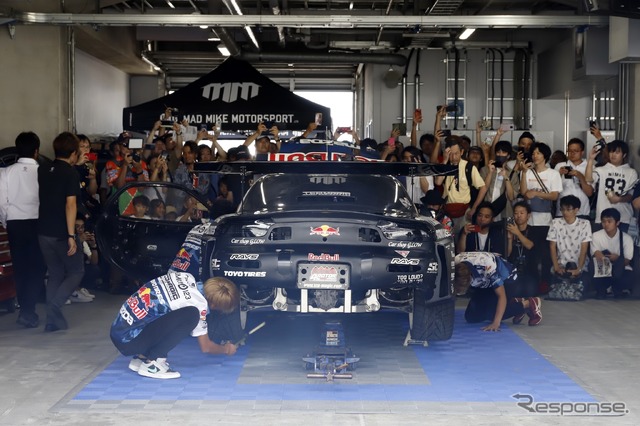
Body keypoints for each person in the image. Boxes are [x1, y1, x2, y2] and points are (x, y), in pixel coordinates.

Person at [110, 272, 240, 379]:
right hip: (130, 342)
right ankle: (153, 363)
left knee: (164, 312)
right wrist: (226, 349)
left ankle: (141, 357)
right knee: (191, 315)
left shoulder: (184, 277)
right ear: (214, 305)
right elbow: (206, 347)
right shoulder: (198, 304)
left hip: (119, 331)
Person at [37, 132, 84, 332]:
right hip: (60, 232)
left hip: (42, 231)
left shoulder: (43, 169)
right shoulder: (70, 173)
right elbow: (70, 204)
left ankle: (51, 321)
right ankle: (54, 307)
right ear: (73, 153)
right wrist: (71, 235)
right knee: (76, 271)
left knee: (55, 273)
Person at [0, 132, 47, 328]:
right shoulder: (44, 171)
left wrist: (5, 221)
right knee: (37, 267)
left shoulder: (5, 172)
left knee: (20, 267)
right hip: (38, 222)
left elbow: (2, 201)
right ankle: (29, 310)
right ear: (37, 151)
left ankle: (26, 309)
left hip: (15, 223)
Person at [454, 251, 542, 330]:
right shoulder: (455, 261)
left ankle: (528, 304)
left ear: (470, 278)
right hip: (484, 282)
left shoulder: (487, 267)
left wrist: (496, 323)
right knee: (471, 317)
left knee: (492, 313)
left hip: (507, 279)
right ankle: (514, 302)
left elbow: (501, 296)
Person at [434, 136, 487, 236]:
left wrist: (474, 208)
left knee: (464, 237)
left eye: (456, 154)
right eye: (451, 154)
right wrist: (445, 161)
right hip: (448, 209)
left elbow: (483, 188)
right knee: (448, 238)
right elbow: (438, 182)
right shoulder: (445, 166)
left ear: (462, 152)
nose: (453, 157)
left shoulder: (469, 167)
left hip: (465, 210)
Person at [585, 139, 638, 233]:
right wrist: (591, 159)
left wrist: (619, 199)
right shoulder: (601, 169)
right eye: (611, 151)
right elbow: (589, 179)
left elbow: (631, 195)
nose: (613, 155)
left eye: (617, 152)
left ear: (624, 155)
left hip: (624, 217)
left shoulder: (631, 172)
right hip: (603, 216)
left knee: (622, 246)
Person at [591, 208, 634, 299]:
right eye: (603, 221)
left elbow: (627, 260)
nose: (606, 224)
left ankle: (618, 289)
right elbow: (595, 253)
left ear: (617, 223)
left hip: (619, 269)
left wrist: (617, 258)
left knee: (628, 275)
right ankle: (602, 290)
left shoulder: (626, 238)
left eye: (609, 221)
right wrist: (602, 256)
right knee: (592, 265)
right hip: (602, 268)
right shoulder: (596, 235)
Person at [547, 195, 592, 281]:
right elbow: (552, 246)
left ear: (576, 210)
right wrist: (556, 267)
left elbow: (584, 249)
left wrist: (579, 269)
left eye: (568, 209)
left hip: (580, 263)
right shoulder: (555, 222)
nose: (565, 212)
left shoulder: (585, 224)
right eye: (562, 209)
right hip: (561, 263)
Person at [519, 142, 563, 227]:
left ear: (545, 155)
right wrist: (524, 172)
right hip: (528, 215)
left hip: (545, 215)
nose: (535, 156)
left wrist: (535, 193)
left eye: (538, 153)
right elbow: (523, 192)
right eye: (533, 153)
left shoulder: (553, 173)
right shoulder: (526, 172)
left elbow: (554, 196)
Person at [506, 201, 542, 297]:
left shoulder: (534, 230)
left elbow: (529, 245)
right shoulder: (509, 231)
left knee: (530, 292)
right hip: (513, 270)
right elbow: (508, 254)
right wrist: (510, 238)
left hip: (529, 270)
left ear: (528, 215)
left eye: (522, 213)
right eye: (516, 213)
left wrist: (517, 233)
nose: (518, 216)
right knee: (514, 292)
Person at [554, 138, 594, 220]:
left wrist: (580, 176)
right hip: (562, 211)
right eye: (570, 151)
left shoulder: (589, 167)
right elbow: (552, 190)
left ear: (582, 152)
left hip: (582, 211)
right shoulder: (559, 166)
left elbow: (590, 193)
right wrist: (559, 174)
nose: (572, 153)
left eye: (575, 151)